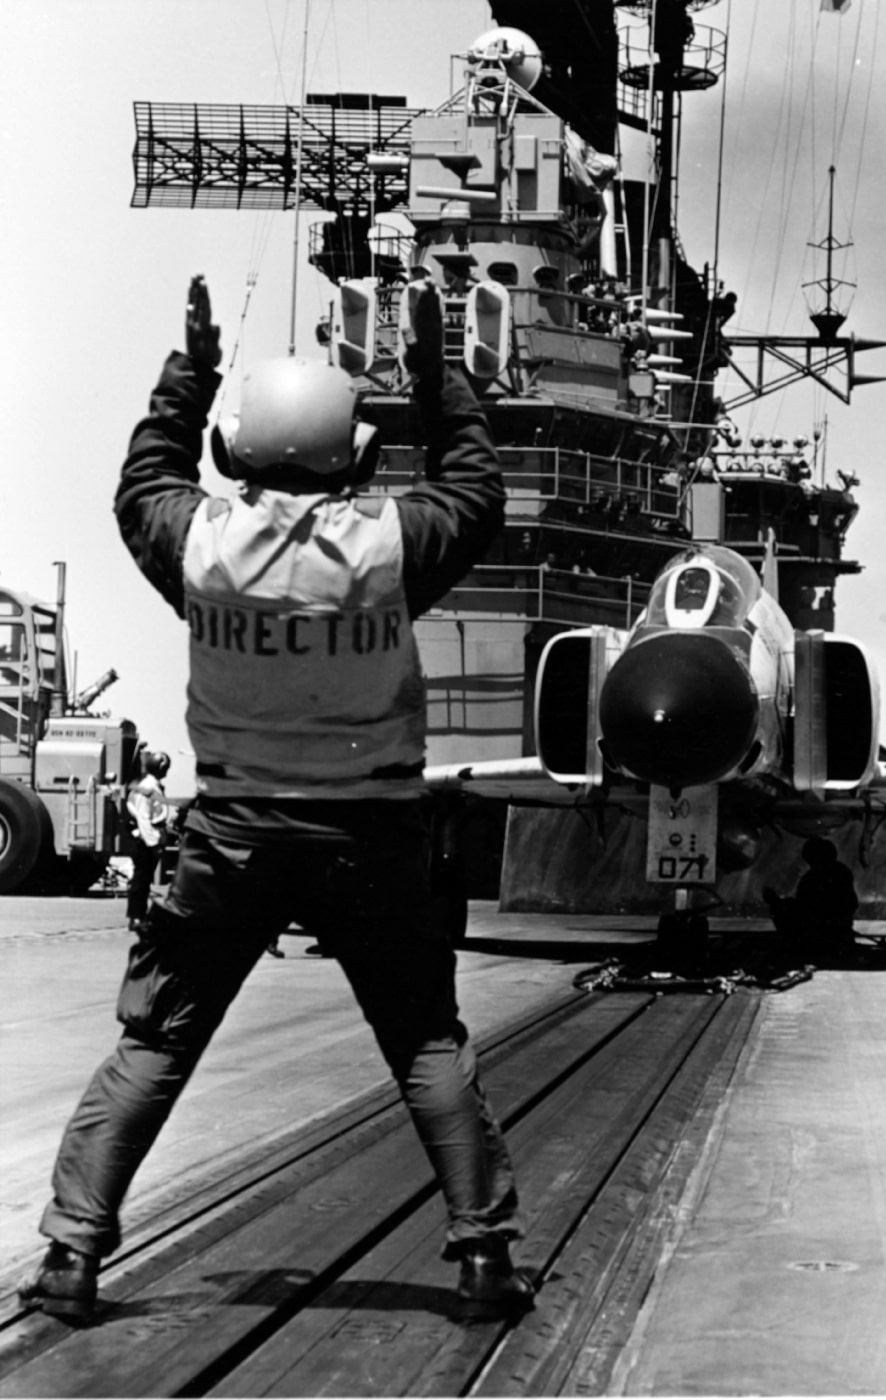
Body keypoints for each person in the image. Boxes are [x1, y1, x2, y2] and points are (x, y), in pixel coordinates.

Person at [19, 274, 531, 1326]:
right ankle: (481, 1258)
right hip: (372, 834)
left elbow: (142, 482)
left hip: (235, 835)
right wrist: (437, 381)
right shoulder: (393, 548)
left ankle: (72, 1257)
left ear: (234, 449)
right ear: (356, 454)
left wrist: (188, 371)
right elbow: (474, 490)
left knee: (157, 1040)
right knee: (425, 1042)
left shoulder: (198, 547)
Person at [764, 836, 859, 962]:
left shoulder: (812, 878)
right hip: (841, 933)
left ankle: (798, 944)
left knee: (780, 908)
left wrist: (775, 901)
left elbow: (805, 909)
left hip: (818, 935)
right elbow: (851, 903)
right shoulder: (843, 872)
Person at [125, 749, 172, 930]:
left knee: (143, 879)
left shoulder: (151, 785)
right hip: (147, 837)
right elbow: (143, 817)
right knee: (141, 879)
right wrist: (152, 842)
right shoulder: (149, 787)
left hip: (150, 834)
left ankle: (139, 915)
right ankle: (136, 917)